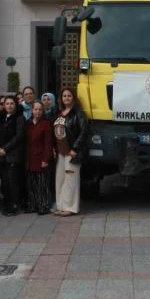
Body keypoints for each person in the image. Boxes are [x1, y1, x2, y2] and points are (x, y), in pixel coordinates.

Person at [52, 88, 87, 216]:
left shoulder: (79, 113)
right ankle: (61, 205)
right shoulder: (59, 113)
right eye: (64, 96)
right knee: (60, 179)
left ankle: (70, 207)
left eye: (69, 95)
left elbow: (83, 132)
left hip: (71, 153)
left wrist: (75, 149)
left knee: (70, 179)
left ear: (74, 98)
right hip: (60, 152)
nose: (66, 98)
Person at [0, 96, 26, 216]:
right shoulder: (1, 118)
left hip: (13, 154)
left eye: (12, 103)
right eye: (7, 104)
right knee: (5, 182)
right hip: (1, 155)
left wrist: (5, 149)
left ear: (16, 105)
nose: (9, 106)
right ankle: (7, 203)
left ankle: (14, 205)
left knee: (13, 181)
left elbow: (19, 137)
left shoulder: (20, 118)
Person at [26, 101, 54, 215]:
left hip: (40, 158)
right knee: (31, 184)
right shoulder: (28, 123)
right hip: (29, 158)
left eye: (40, 109)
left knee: (42, 184)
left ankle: (43, 206)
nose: (37, 111)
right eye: (35, 109)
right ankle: (33, 205)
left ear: (43, 111)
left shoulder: (46, 124)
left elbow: (48, 143)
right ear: (32, 110)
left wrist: (45, 159)